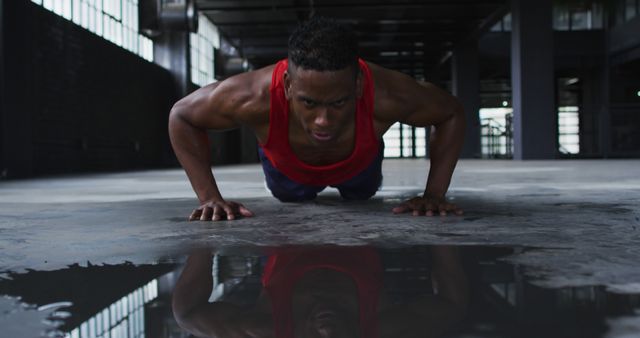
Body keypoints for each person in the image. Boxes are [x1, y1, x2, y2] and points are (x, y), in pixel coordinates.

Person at [169, 17, 465, 222]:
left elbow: (450, 113)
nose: (323, 120)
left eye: (338, 102)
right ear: (287, 86)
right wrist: (209, 198)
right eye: (308, 103)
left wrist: (435, 194)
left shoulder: (389, 94)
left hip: (359, 170)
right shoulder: (252, 96)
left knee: (361, 197)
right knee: (293, 198)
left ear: (358, 86)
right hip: (288, 176)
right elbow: (182, 116)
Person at [172, 246, 469, 338]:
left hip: (288, 213)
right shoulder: (380, 327)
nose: (326, 332)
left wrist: (204, 244)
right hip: (357, 209)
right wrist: (442, 238)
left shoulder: (268, 328)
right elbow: (452, 306)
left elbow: (187, 314)